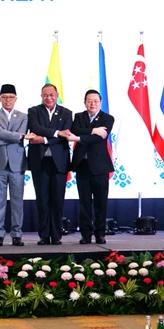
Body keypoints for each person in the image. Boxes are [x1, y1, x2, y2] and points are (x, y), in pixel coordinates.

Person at [62, 89, 114, 245]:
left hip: (100, 167)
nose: (92, 104)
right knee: (84, 202)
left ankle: (100, 234)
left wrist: (78, 138)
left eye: (96, 101)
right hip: (82, 165)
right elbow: (75, 130)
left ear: (101, 102)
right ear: (85, 102)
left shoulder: (108, 118)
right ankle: (85, 235)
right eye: (89, 101)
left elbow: (99, 138)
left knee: (100, 203)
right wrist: (92, 130)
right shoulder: (79, 116)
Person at [0, 84, 34, 247]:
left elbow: (2, 136)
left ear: (16, 99)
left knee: (17, 201)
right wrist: (19, 136)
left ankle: (16, 234)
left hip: (17, 162)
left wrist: (7, 137)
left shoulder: (23, 116)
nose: (8, 100)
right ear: (0, 99)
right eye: (5, 97)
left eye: (11, 97)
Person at [27, 83, 73, 245]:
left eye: (51, 95)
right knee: (42, 200)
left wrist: (45, 138)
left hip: (59, 163)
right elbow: (35, 127)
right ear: (41, 96)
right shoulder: (33, 111)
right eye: (45, 95)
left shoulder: (66, 113)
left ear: (57, 95)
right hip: (39, 162)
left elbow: (65, 133)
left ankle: (56, 235)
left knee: (57, 200)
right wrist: (56, 133)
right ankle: (44, 235)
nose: (49, 98)